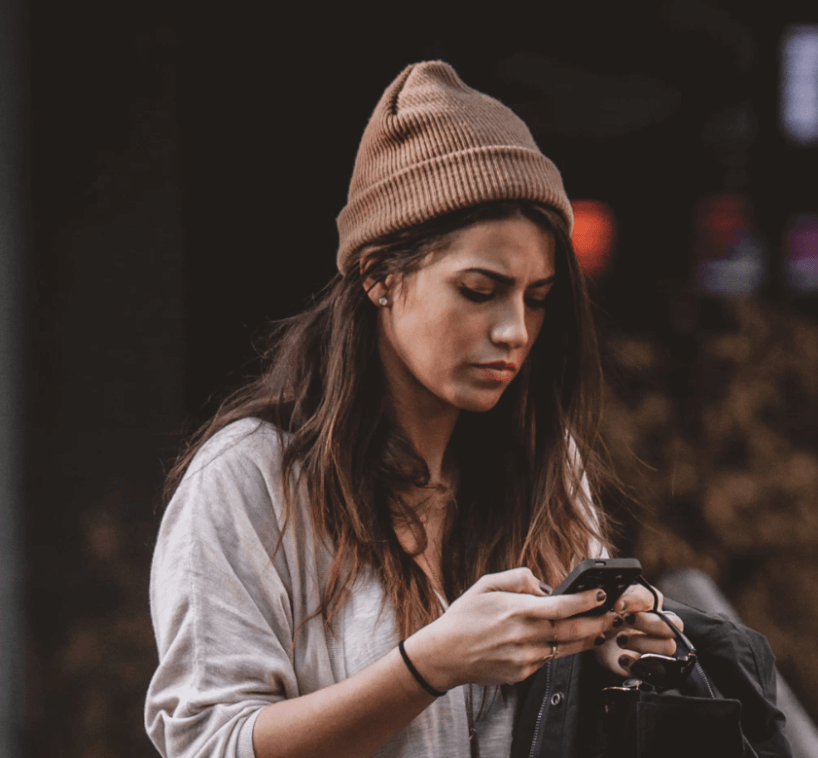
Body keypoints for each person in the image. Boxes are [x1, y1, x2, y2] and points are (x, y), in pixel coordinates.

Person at [144, 61, 683, 758]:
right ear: (379, 275)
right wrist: (426, 667)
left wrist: (614, 659)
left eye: (536, 297)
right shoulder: (248, 482)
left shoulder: (543, 462)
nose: (515, 330)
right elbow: (210, 745)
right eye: (480, 289)